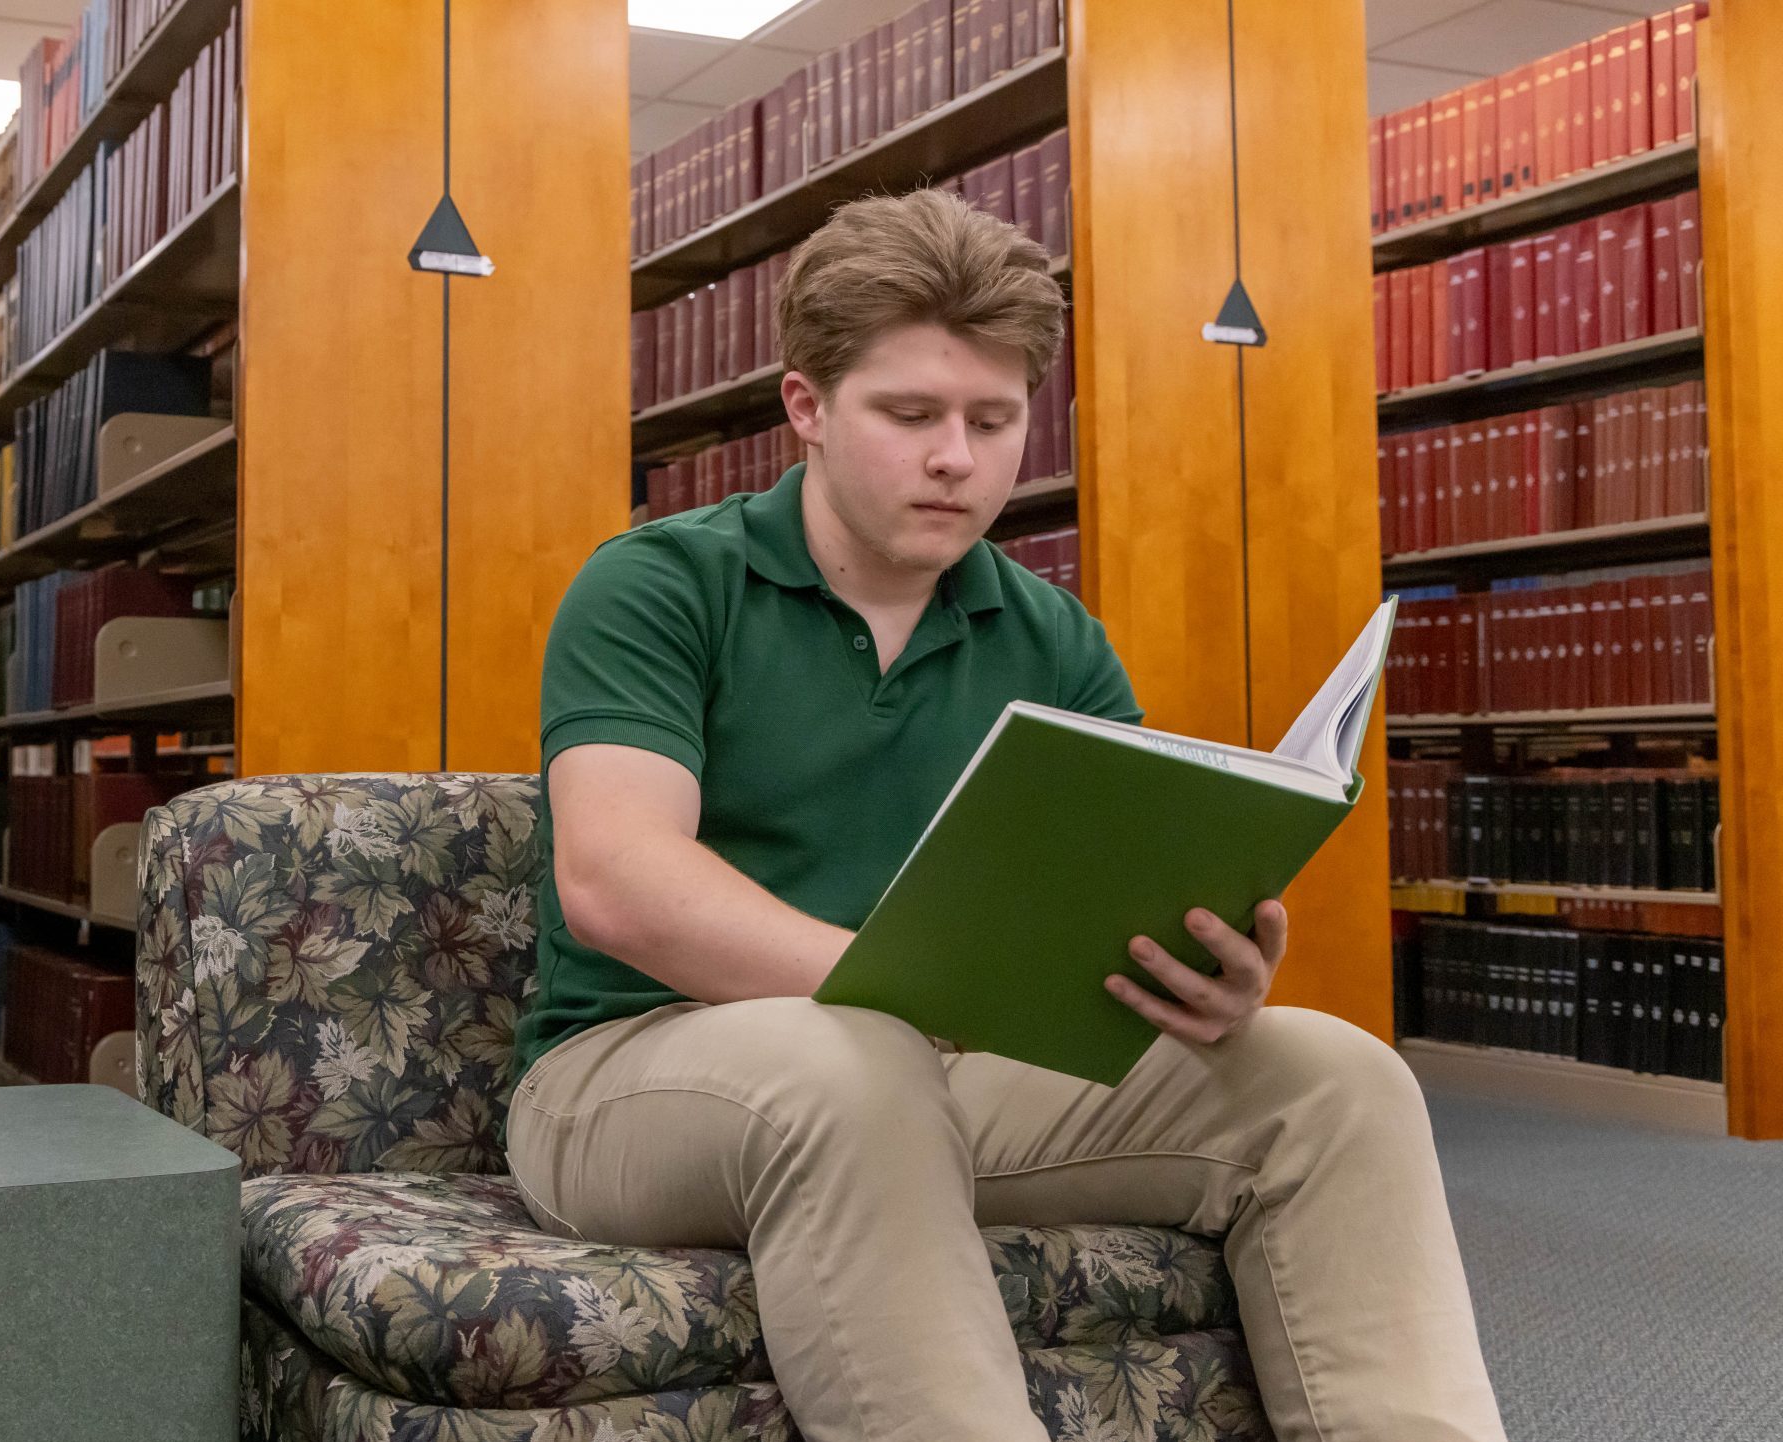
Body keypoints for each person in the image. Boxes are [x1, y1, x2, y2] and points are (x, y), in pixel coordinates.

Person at [505, 187, 1508, 1442]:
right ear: (805, 407)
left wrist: (1199, 966)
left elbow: (1099, 909)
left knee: (1334, 1077)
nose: (956, 459)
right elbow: (618, 875)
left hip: (939, 1074)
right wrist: (901, 993)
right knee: (855, 1059)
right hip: (628, 1075)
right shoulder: (659, 583)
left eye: (994, 420)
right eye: (910, 414)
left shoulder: (1052, 637)